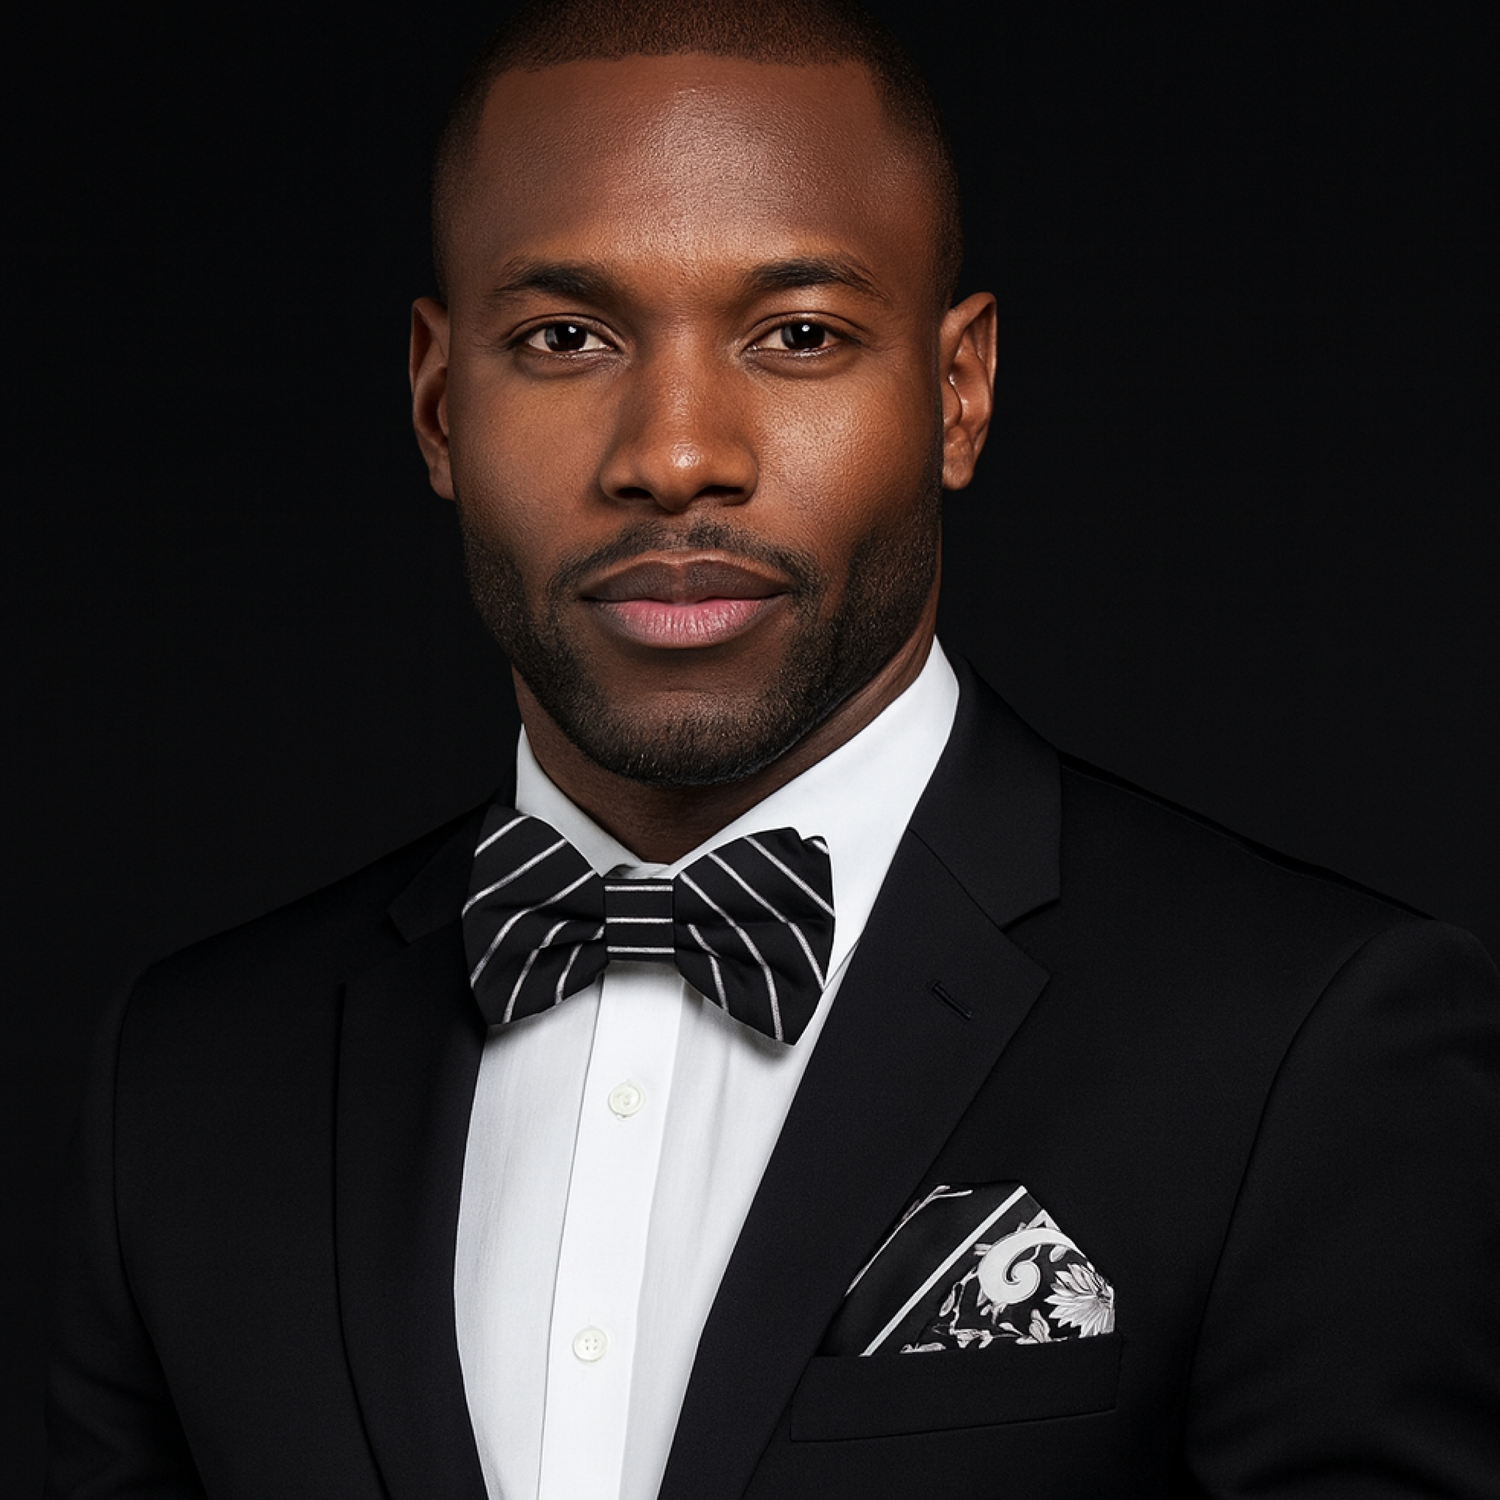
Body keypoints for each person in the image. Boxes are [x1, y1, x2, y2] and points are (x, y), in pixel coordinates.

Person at [45, 1, 1500, 1496]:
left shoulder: (1304, 1045)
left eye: (797, 335)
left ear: (958, 390)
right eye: (567, 337)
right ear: (435, 405)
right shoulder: (183, 1083)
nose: (675, 455)